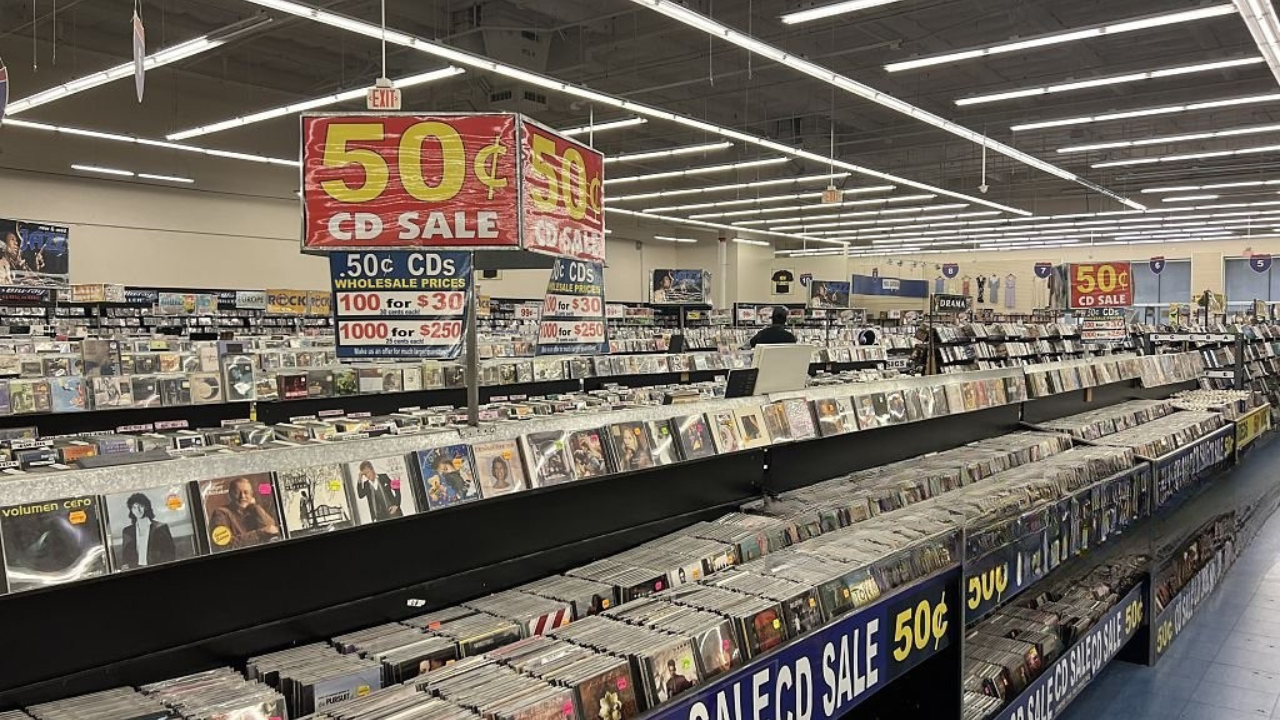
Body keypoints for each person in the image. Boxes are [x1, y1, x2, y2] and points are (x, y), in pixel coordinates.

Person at [209, 477, 280, 548]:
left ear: (252, 494)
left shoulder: (254, 510)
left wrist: (254, 506)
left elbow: (272, 530)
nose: (242, 496)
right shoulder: (221, 513)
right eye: (237, 492)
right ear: (230, 494)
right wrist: (259, 534)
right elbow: (223, 545)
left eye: (246, 492)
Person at [121, 492, 176, 568]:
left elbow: (170, 553)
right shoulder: (127, 531)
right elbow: (125, 556)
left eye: (140, 506)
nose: (138, 510)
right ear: (131, 511)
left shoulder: (161, 527)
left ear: (146, 507)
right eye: (134, 507)